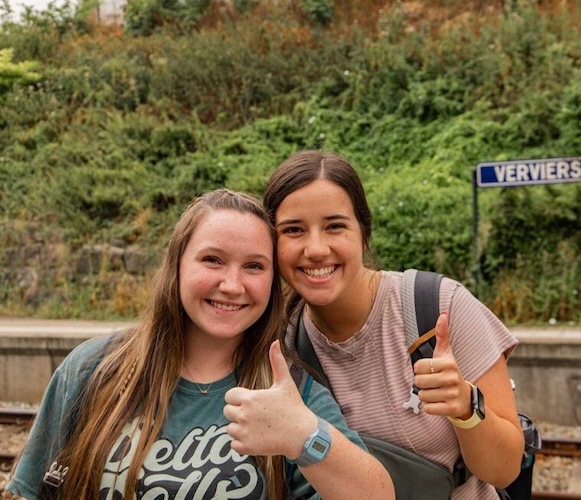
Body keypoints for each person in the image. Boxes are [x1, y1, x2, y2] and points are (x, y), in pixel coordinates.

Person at [5, 188, 394, 500]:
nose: (232, 284)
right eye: (212, 260)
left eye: (254, 266)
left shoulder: (288, 391)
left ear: (272, 283)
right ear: (177, 265)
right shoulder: (93, 368)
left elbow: (378, 494)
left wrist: (305, 435)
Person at [258, 150, 526, 499]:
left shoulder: (439, 306)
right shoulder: (280, 342)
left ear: (363, 233)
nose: (316, 248)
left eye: (335, 226)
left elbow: (504, 470)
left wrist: (464, 405)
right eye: (293, 230)